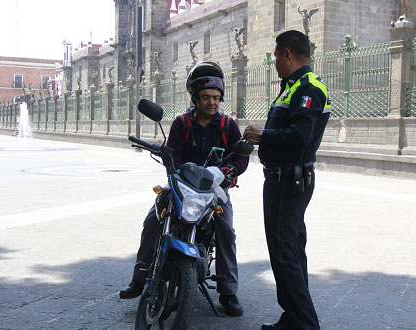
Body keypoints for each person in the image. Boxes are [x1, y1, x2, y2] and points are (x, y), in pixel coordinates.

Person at [119, 61, 248, 317]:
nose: (212, 102)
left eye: (216, 98)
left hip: (214, 192)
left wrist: (229, 171)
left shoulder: (228, 125)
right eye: (206, 97)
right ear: (195, 97)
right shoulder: (181, 124)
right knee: (153, 221)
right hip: (182, 187)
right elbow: (173, 154)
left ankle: (228, 291)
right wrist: (174, 167)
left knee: (226, 232)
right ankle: (141, 276)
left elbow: (240, 157)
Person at [242, 30, 331, 330]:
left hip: (288, 182)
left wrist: (263, 135)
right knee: (291, 252)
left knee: (284, 255)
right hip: (284, 179)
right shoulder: (292, 86)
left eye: (277, 55)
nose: (276, 61)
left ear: (288, 54)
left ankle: (305, 324)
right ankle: (292, 318)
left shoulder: (308, 89)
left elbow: (299, 137)